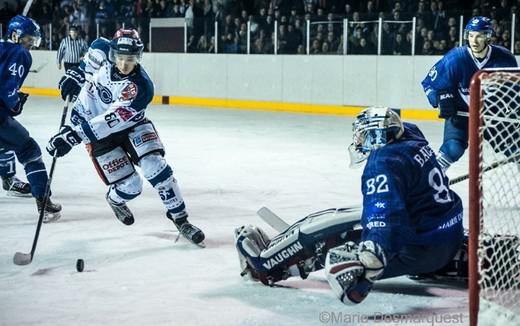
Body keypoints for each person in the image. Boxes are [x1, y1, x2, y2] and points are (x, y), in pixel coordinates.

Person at [234, 107, 464, 304]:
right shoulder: (412, 138)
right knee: (351, 217)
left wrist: (373, 253)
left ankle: (267, 266)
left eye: (364, 137)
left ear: (377, 137)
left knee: (337, 240)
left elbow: (384, 215)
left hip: (418, 250)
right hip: (449, 235)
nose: (359, 142)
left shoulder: (383, 164)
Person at [48, 29, 205, 245]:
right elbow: (85, 68)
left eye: (130, 59)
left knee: (156, 167)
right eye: (120, 58)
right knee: (132, 186)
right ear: (112, 54)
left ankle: (181, 220)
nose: (123, 64)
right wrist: (76, 75)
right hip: (92, 127)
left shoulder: (141, 87)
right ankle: (115, 199)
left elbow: (110, 121)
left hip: (129, 125)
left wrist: (73, 136)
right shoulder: (99, 48)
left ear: (138, 58)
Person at [421, 16, 517, 171]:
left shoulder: (505, 59)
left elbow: (514, 89)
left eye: (479, 35)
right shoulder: (455, 58)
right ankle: (430, 182)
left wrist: (513, 106)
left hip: (492, 114)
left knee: (515, 148)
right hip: (461, 113)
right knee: (452, 148)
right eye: (471, 35)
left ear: (488, 36)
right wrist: (441, 100)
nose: (474, 40)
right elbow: (429, 84)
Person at [0, 15, 62, 221]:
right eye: (28, 39)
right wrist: (14, 102)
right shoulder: (20, 53)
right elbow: (8, 88)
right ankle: (44, 203)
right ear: (16, 36)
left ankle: (9, 181)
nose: (30, 45)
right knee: (29, 149)